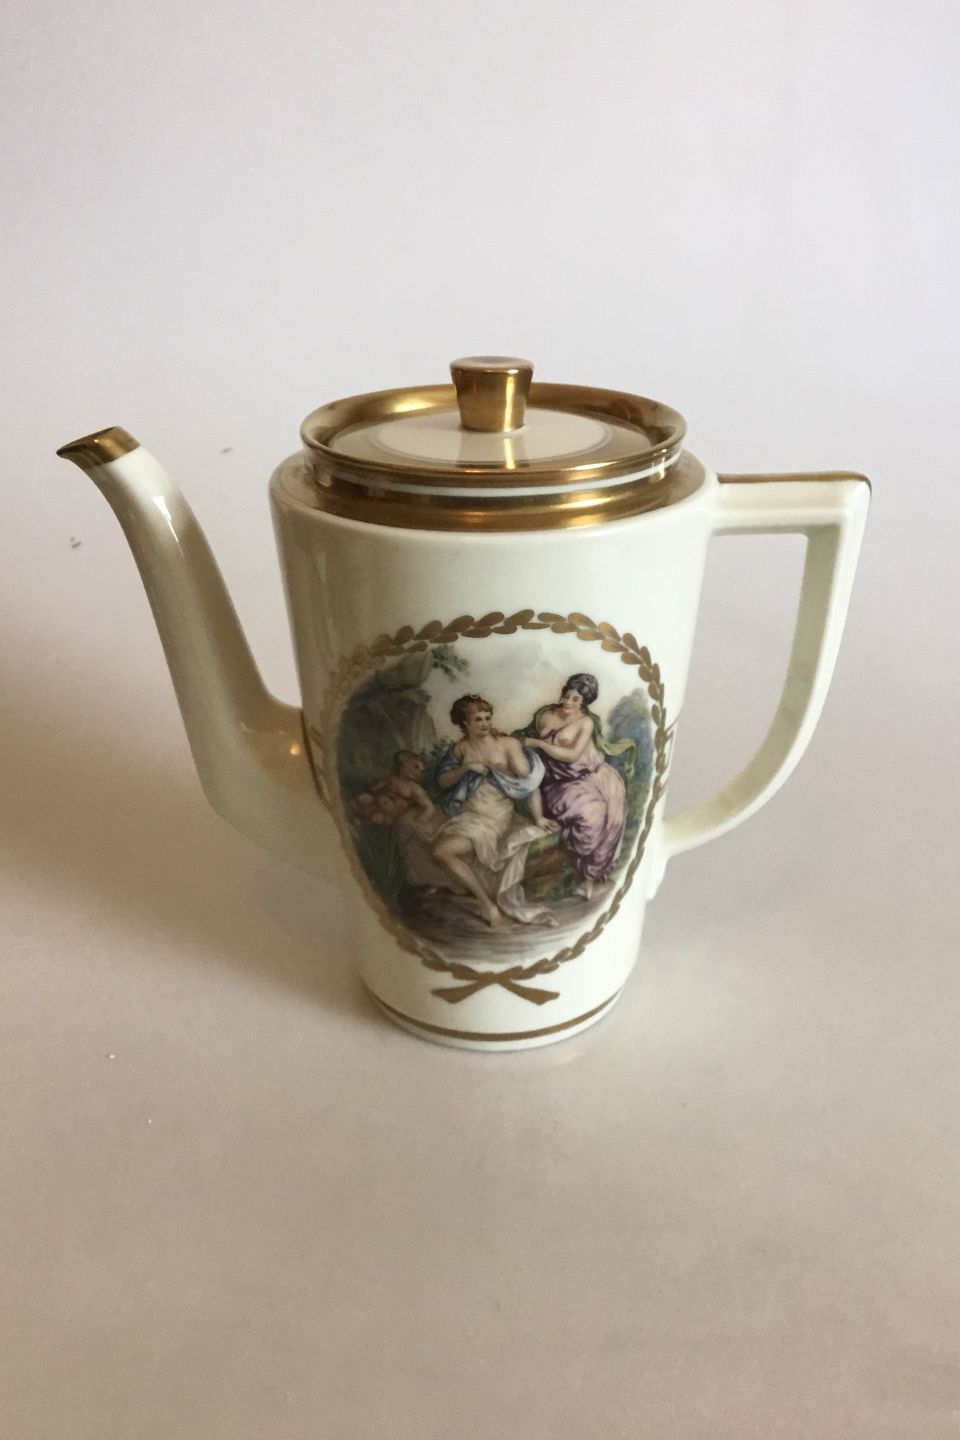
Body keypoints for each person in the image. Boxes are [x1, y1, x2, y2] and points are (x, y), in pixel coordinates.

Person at [432, 694, 555, 928]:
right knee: (438, 851)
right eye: (478, 719)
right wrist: (467, 767)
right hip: (468, 816)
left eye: (487, 717)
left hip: (494, 818)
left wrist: (538, 817)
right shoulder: (461, 749)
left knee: (442, 851)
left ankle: (489, 907)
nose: (485, 723)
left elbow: (529, 784)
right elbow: (443, 781)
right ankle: (487, 904)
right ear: (465, 723)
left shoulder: (507, 745)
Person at [524, 673, 630, 900]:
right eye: (567, 696)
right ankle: (577, 865)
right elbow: (526, 742)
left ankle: (588, 878)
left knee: (611, 819)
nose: (568, 702)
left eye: (575, 699)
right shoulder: (546, 715)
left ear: (584, 703)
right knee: (592, 815)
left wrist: (540, 744)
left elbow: (572, 755)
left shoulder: (586, 722)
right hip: (560, 783)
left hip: (594, 776)